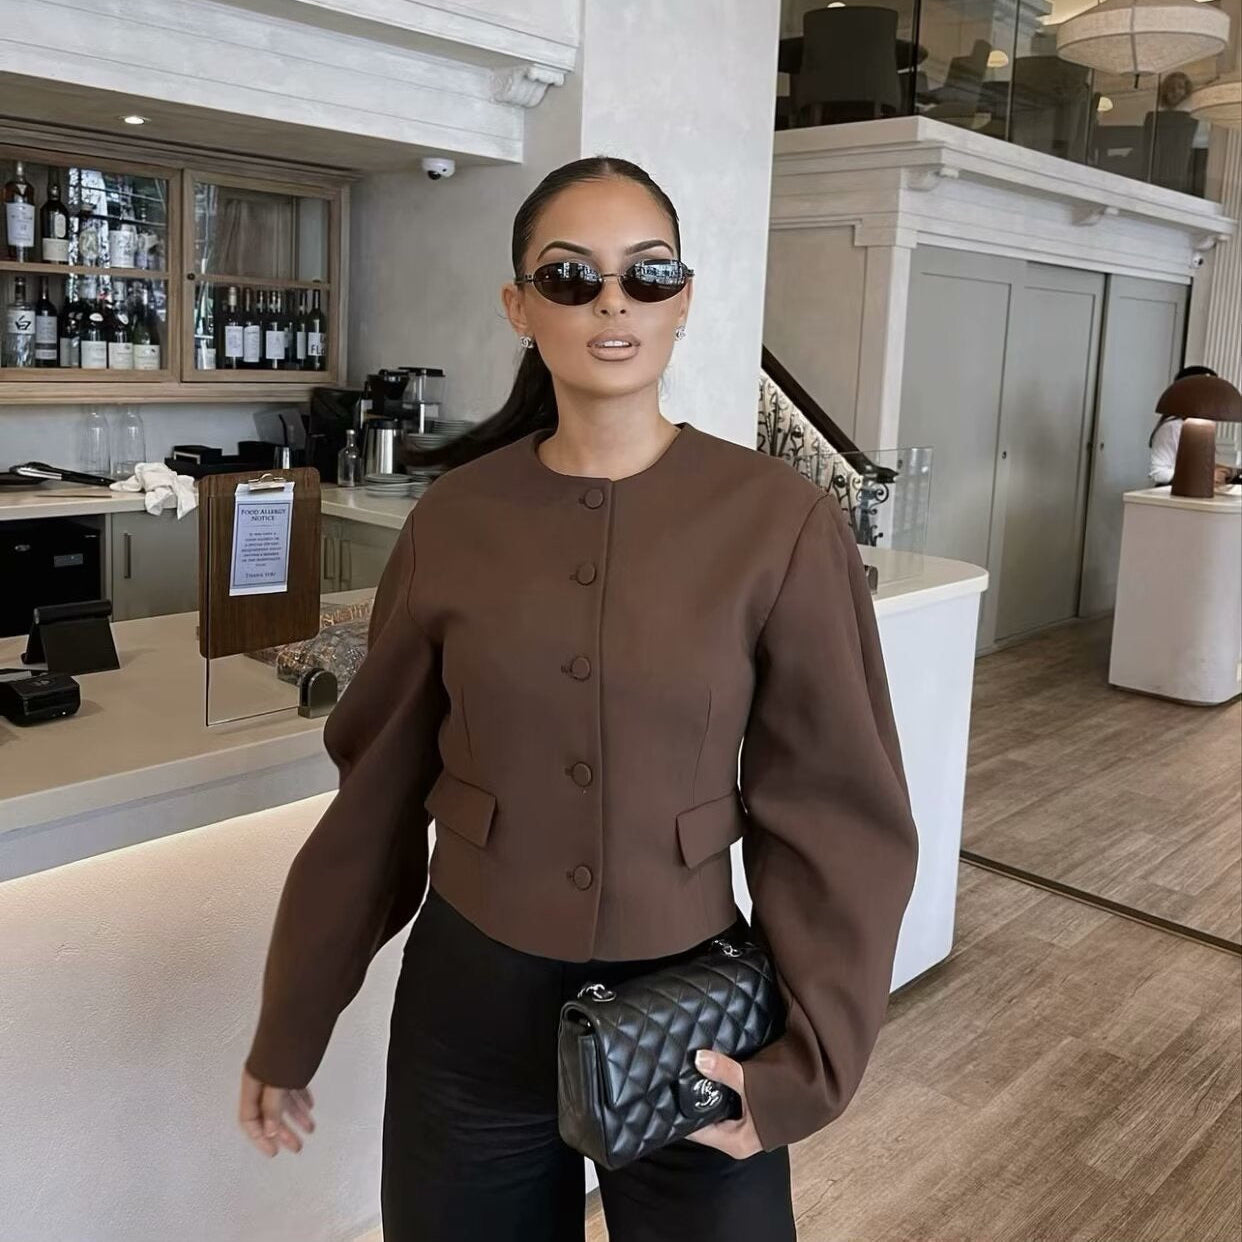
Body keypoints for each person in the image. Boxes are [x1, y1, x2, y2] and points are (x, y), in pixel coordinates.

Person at [236, 156, 920, 1240]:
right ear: (520, 307)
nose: (613, 301)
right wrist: (293, 1021)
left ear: (683, 300)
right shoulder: (454, 520)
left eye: (648, 274)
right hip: (469, 1013)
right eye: (570, 276)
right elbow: (377, 793)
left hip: (691, 1017)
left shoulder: (779, 521)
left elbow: (836, 808)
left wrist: (810, 1062)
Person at [1148, 364, 1237, 487]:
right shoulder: (1173, 427)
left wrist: (1227, 471)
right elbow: (1158, 473)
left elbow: (1193, 465)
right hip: (1173, 492)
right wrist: (1204, 476)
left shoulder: (1201, 425)